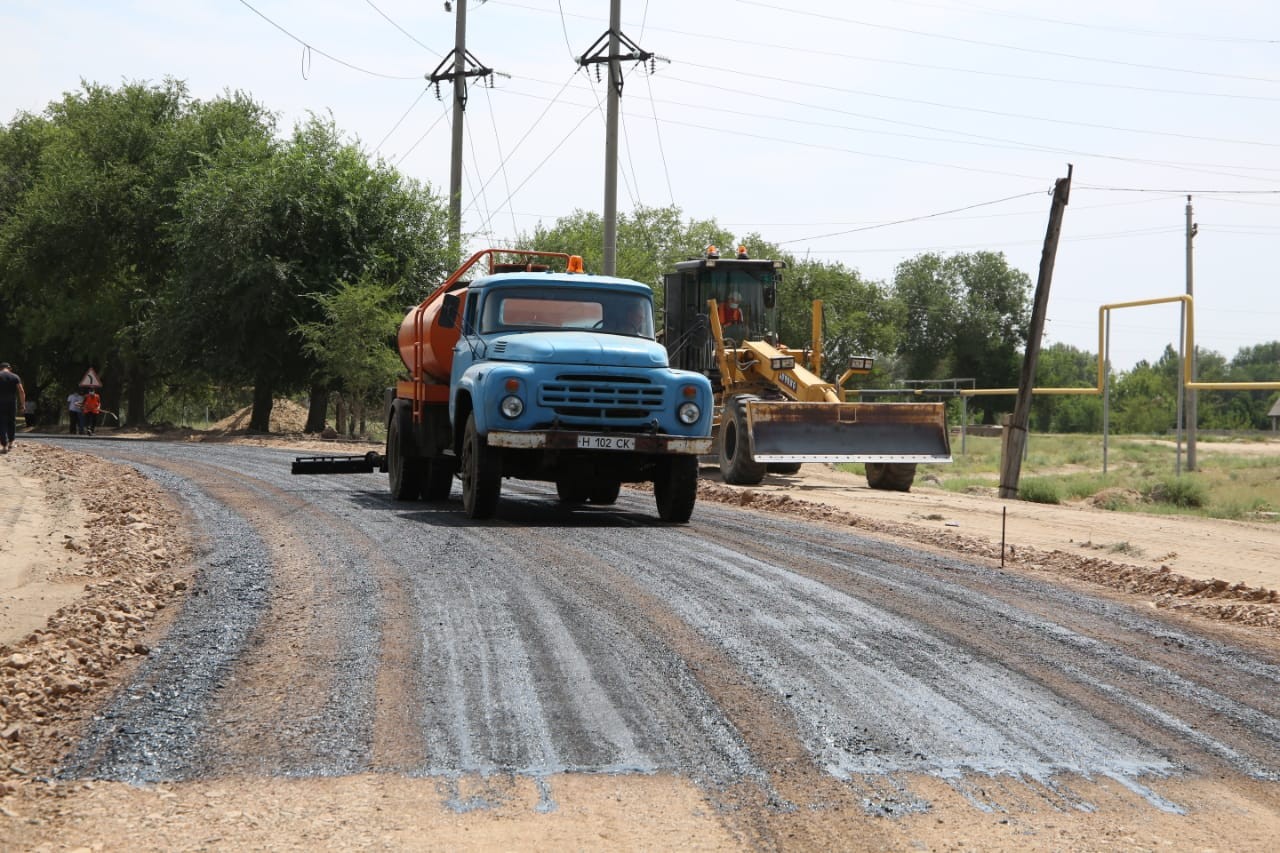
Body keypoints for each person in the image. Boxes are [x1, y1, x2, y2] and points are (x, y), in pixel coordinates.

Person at [0, 363, 25, 454]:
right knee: (11, 421)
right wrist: (23, 405)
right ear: (9, 368)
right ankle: (11, 443)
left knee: (1, 422)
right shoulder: (15, 377)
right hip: (12, 402)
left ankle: (4, 445)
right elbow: (21, 391)